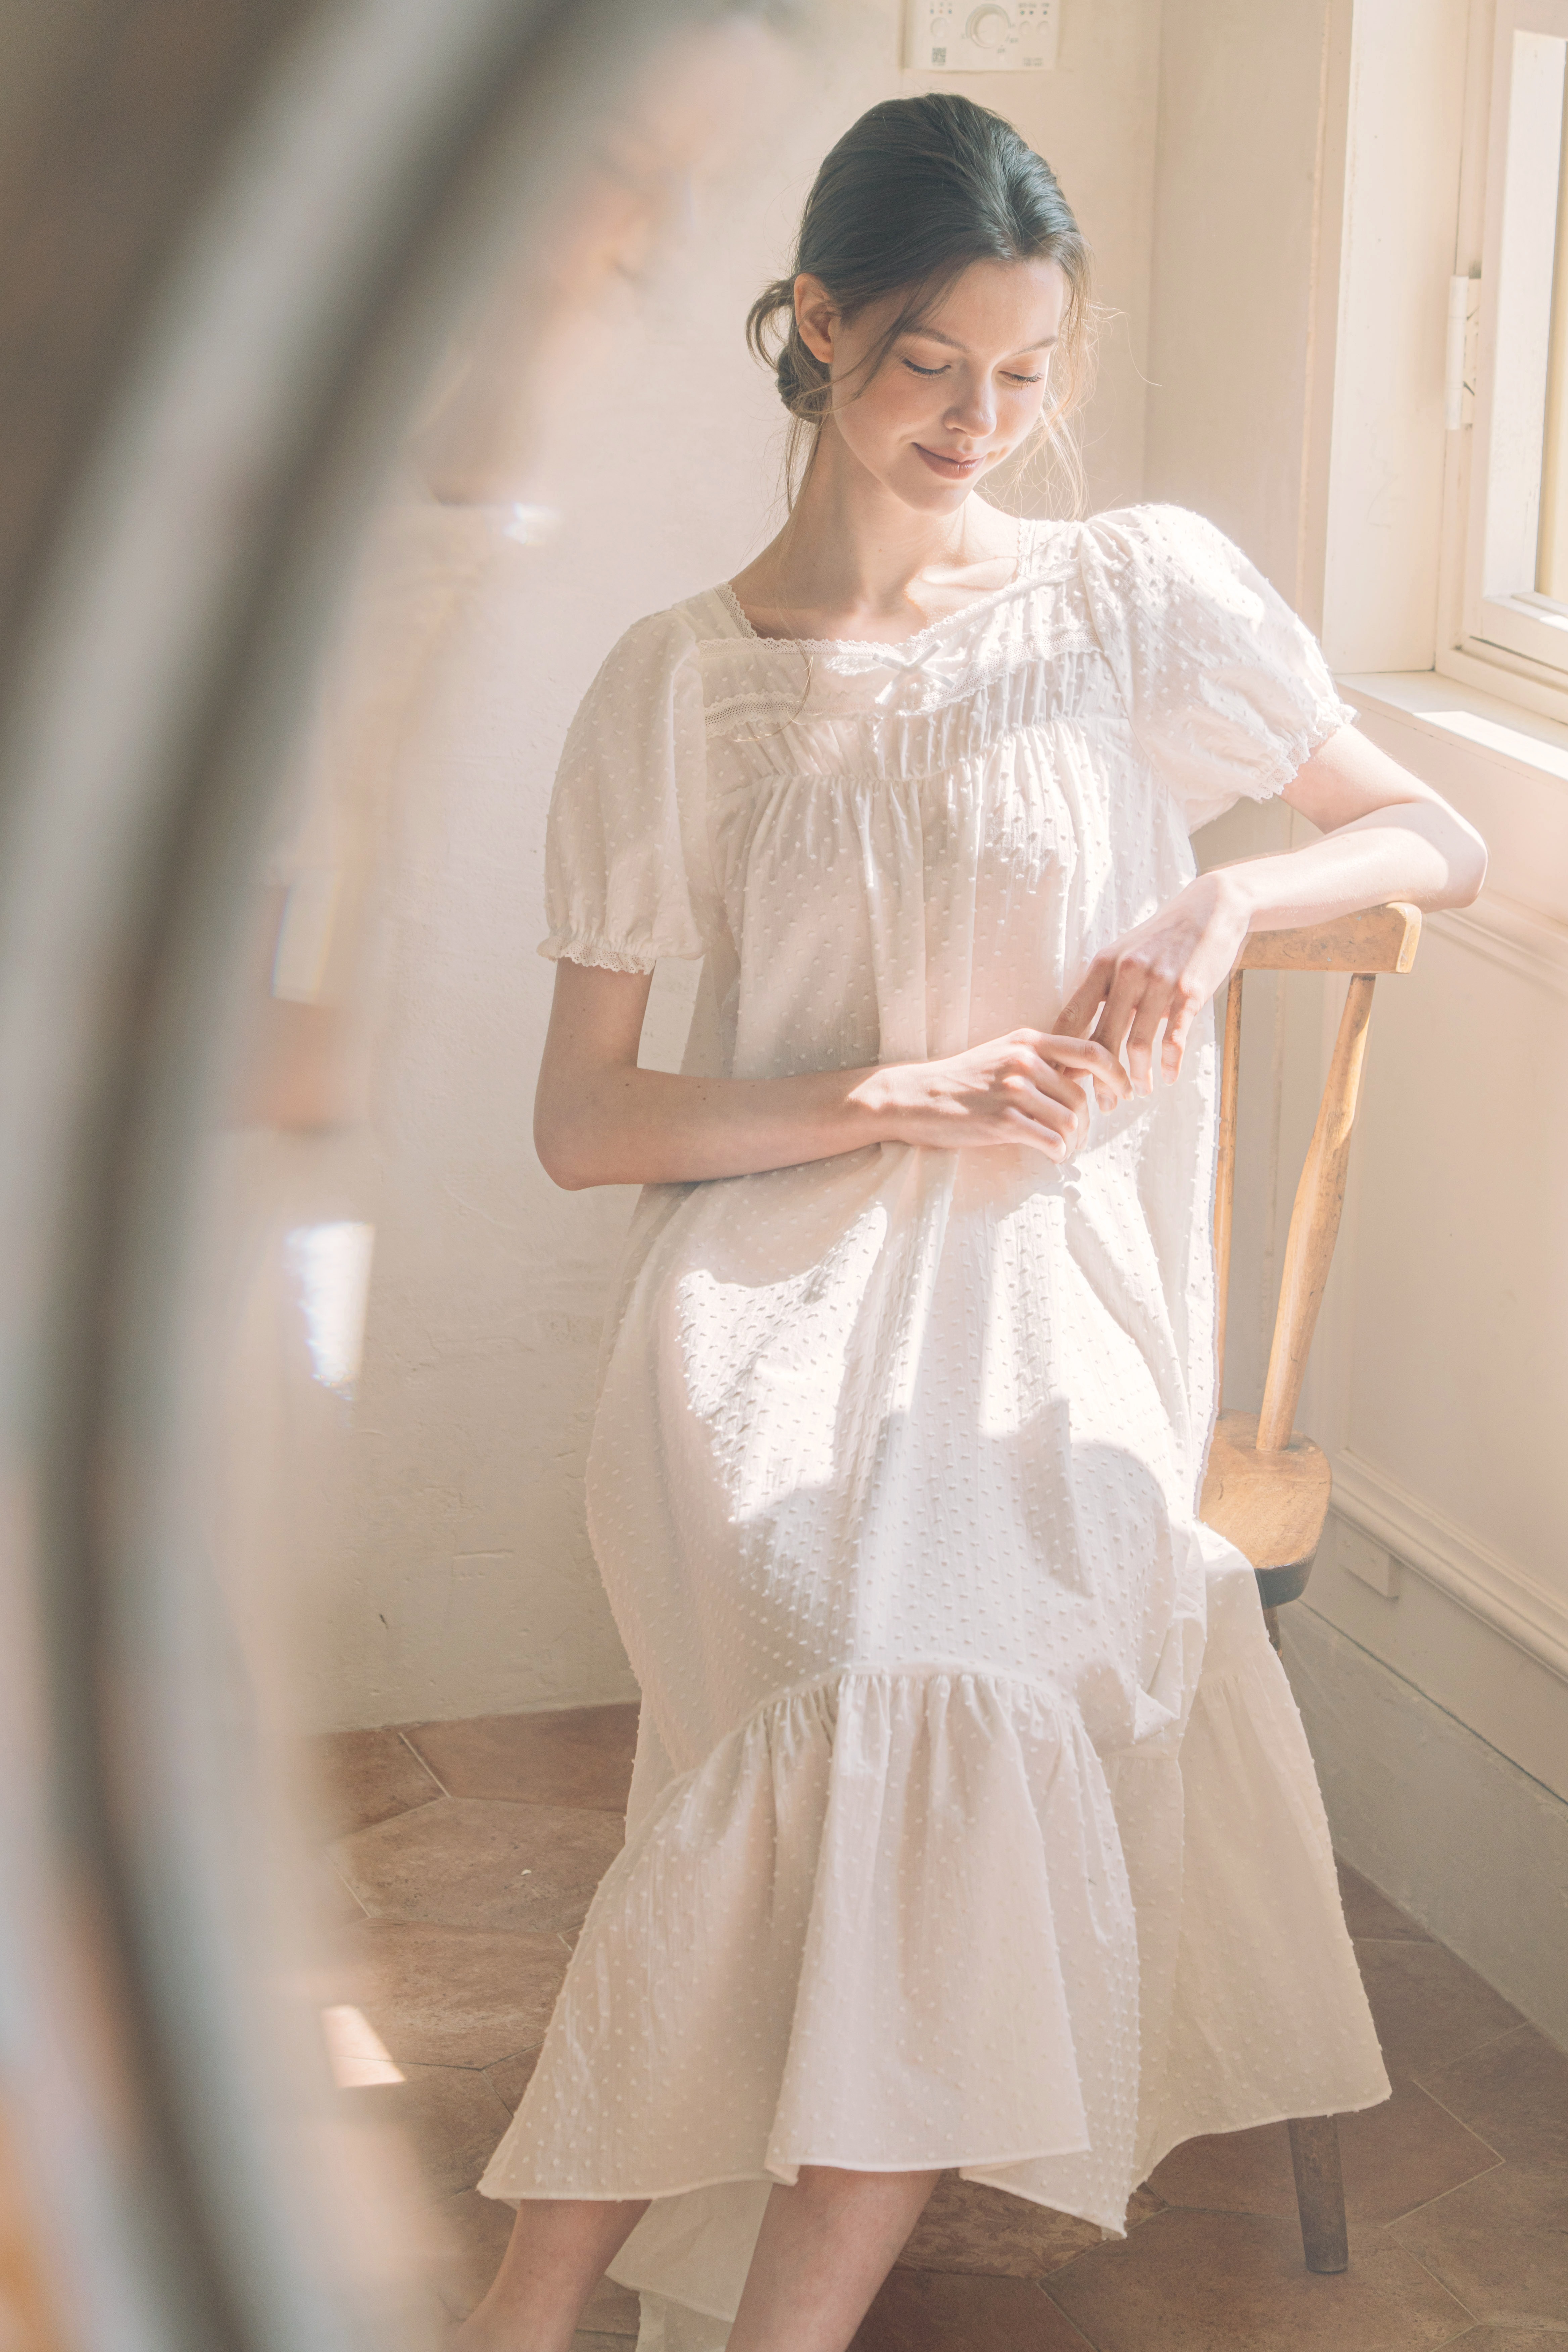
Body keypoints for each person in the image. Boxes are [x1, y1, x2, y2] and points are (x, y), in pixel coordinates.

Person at [456, 92, 1486, 2352]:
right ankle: (531, 2309)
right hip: (765, 1295)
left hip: (1054, 1289)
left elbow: (1443, 841)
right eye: (935, 365)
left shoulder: (1134, 593)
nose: (986, 422)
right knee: (841, 1663)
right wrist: (878, 1094)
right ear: (820, 324)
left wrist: (1226, 902)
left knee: (932, 1694)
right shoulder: (679, 683)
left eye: (1029, 373)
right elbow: (584, 1124)